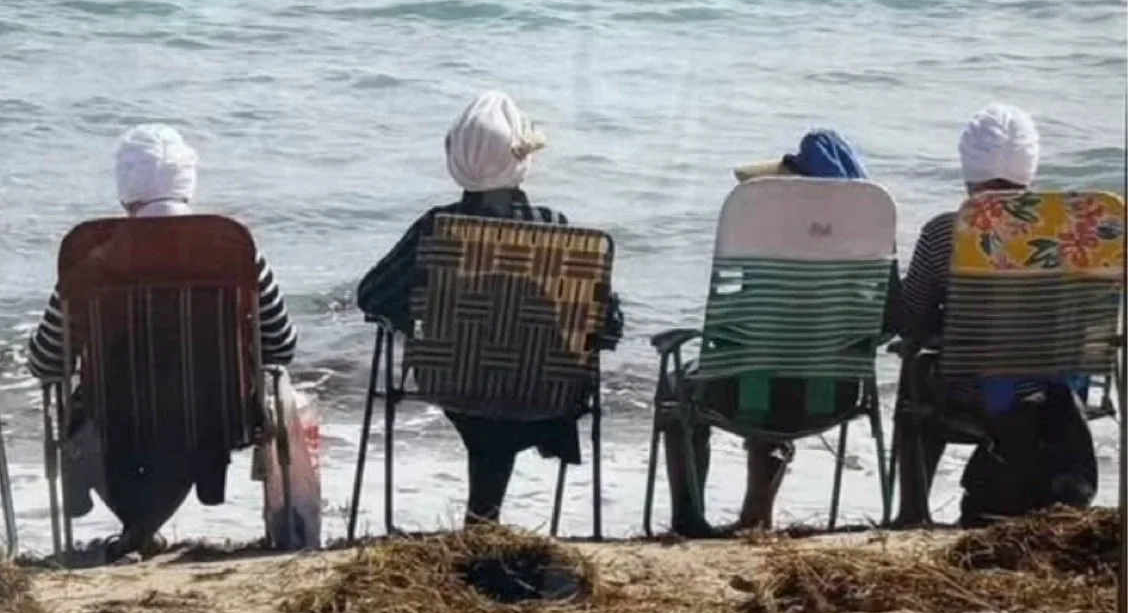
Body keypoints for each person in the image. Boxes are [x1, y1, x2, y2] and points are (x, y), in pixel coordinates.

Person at [26, 123, 299, 560]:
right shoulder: (232, 247)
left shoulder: (90, 254)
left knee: (84, 422)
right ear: (187, 183)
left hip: (114, 416)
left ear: (123, 190)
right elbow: (281, 346)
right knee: (174, 425)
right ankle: (141, 531)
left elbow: (46, 359)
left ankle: (137, 531)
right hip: (216, 418)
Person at [355, 90, 624, 529]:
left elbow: (373, 295)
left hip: (454, 380)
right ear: (520, 161)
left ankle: (482, 521)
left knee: (486, 422)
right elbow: (607, 325)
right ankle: (485, 522)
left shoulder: (435, 230)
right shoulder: (555, 228)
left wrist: (425, 322)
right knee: (511, 405)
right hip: (544, 387)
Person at [662, 128, 884, 538]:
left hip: (741, 395)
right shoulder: (871, 251)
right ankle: (756, 515)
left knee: (681, 387)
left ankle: (688, 520)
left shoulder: (760, 244)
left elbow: (731, 325)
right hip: (832, 395)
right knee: (787, 374)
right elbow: (892, 323)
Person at [890, 103, 1097, 527]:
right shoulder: (1082, 230)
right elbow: (1090, 326)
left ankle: (912, 513)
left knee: (918, 372)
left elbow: (910, 320)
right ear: (1030, 167)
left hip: (969, 387)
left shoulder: (946, 231)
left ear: (968, 169)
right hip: (1056, 390)